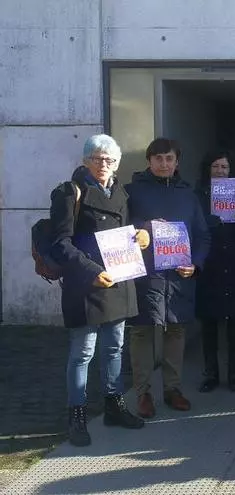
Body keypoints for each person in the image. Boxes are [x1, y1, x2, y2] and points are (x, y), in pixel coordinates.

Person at [49, 134, 150, 446]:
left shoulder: (121, 191)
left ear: (117, 163)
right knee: (83, 353)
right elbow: (60, 243)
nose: (103, 164)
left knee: (114, 348)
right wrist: (92, 272)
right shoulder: (69, 192)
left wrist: (141, 234)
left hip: (118, 281)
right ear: (85, 161)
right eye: (96, 158)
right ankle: (77, 415)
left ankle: (114, 405)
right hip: (87, 284)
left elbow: (128, 227)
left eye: (109, 159)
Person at [126, 138, 211, 419]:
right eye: (159, 158)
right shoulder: (132, 192)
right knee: (142, 331)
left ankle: (173, 389)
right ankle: (143, 393)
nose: (164, 164)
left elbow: (202, 235)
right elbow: (120, 231)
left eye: (169, 158)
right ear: (149, 161)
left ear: (177, 162)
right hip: (145, 274)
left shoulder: (188, 195)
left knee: (176, 331)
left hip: (178, 276)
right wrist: (143, 227)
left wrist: (195, 264)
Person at [195, 150, 235, 393]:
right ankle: (210, 374)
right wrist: (206, 223)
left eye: (225, 167)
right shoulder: (198, 196)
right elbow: (191, 228)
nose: (220, 171)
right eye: (216, 166)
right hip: (209, 266)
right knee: (209, 322)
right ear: (208, 169)